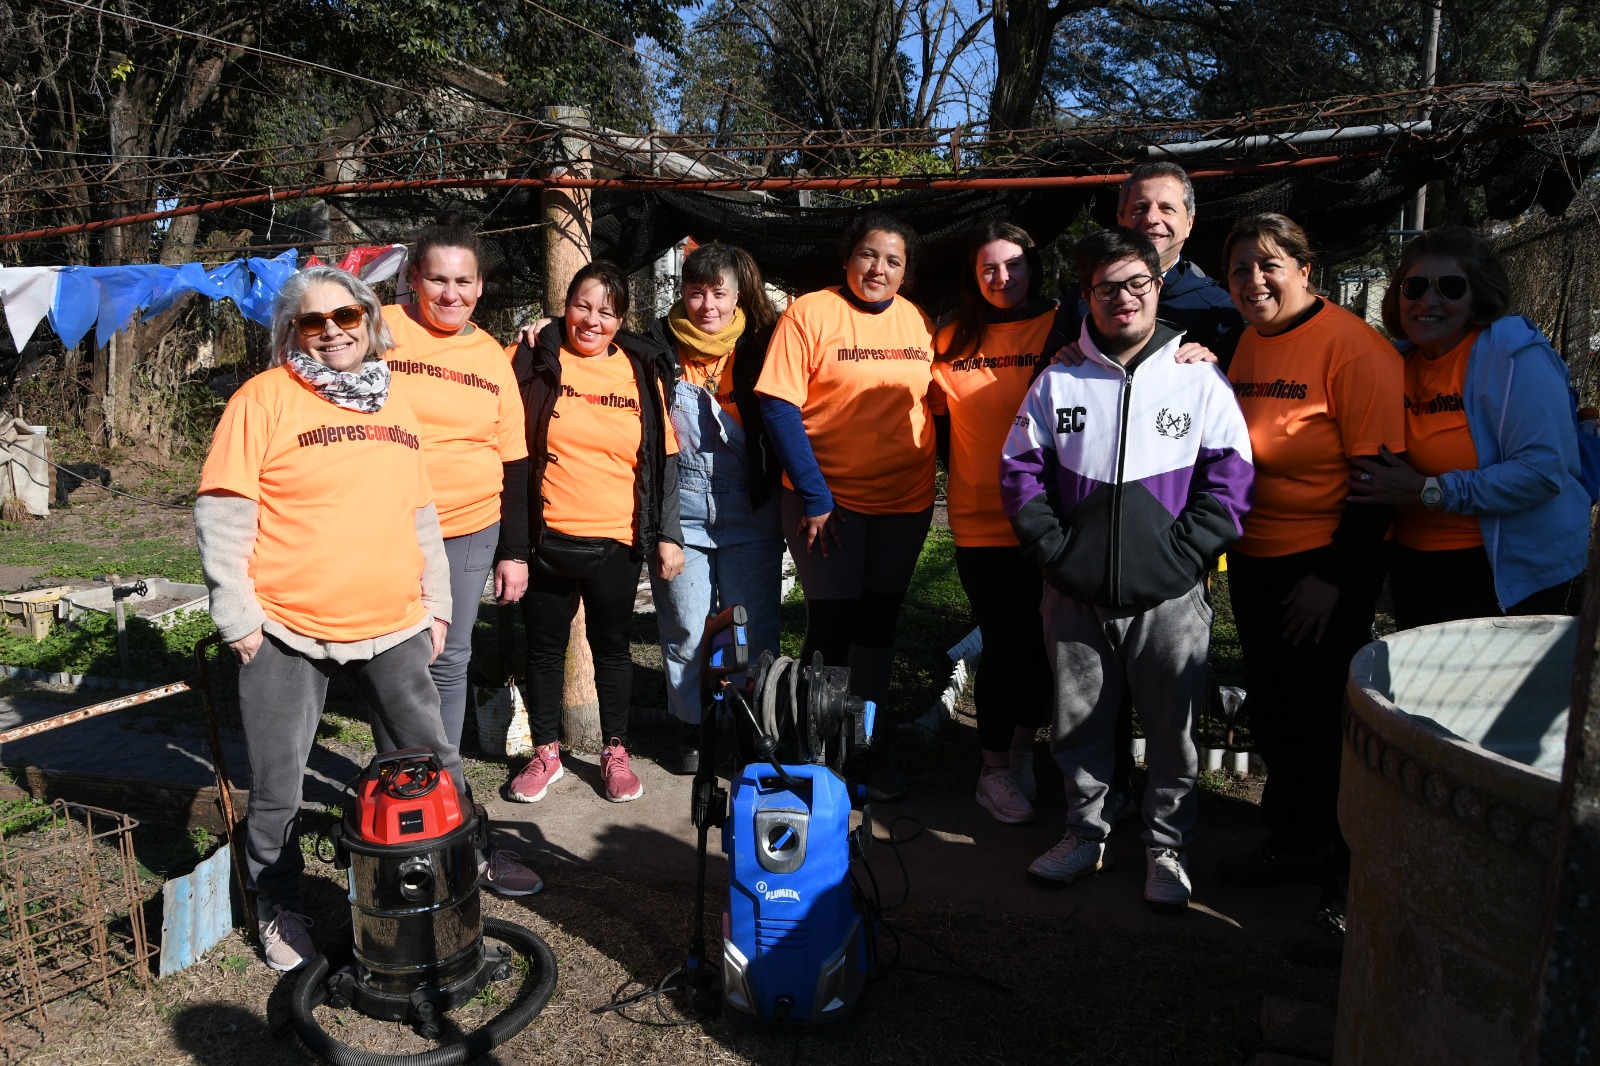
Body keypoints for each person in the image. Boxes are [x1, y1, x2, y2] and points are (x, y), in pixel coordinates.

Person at [195, 265, 468, 972]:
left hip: (394, 622)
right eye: (315, 322)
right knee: (279, 787)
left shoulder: (395, 403)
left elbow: (420, 514)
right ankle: (277, 904)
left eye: (346, 317)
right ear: (293, 331)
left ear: (369, 321)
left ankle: (452, 868)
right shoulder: (262, 399)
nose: (334, 332)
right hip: (286, 628)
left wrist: (435, 604)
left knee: (430, 764)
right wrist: (239, 620)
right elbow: (224, 510)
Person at [1000, 228, 1253, 911]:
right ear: (1087, 297)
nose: (1124, 298)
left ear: (1157, 286)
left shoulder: (1197, 373)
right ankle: (1086, 835)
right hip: (1073, 595)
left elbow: (1233, 475)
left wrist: (1188, 554)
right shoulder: (1059, 377)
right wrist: (1054, 554)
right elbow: (1018, 472)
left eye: (1136, 283)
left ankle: (1167, 848)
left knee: (1173, 732)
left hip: (1172, 596)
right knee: (1078, 726)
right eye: (1107, 287)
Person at [1218, 212, 1405, 964]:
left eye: (1269, 265)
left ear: (1305, 266)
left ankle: (1347, 885)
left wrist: (1333, 578)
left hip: (1322, 568)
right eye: (1239, 270)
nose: (1253, 281)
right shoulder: (1245, 342)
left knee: (1324, 723)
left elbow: (1378, 483)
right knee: (1273, 712)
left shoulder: (1355, 350)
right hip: (1255, 561)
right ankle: (1290, 842)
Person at [374, 220, 541, 896]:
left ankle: (437, 798)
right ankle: (403, 796)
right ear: (414, 278)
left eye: (463, 281)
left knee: (451, 661)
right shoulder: (376, 328)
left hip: (471, 529)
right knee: (392, 656)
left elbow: (515, 460)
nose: (450, 293)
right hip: (386, 526)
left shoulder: (491, 357)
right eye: (437, 278)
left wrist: (515, 551)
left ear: (481, 287)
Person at [755, 211, 937, 802]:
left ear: (906, 273)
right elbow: (779, 405)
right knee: (832, 625)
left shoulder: (917, 321)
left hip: (905, 501)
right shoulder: (811, 313)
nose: (878, 269)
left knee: (879, 624)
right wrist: (815, 495)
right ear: (847, 258)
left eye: (893, 260)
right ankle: (818, 750)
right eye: (868, 255)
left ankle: (865, 747)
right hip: (824, 502)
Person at [502, 260, 683, 805]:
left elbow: (664, 459)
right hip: (547, 537)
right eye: (582, 305)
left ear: (622, 318)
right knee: (543, 649)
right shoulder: (534, 357)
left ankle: (615, 750)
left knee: (613, 649)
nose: (592, 320)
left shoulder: (642, 369)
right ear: (564, 305)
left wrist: (666, 534)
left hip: (617, 541)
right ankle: (546, 752)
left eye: (607, 311)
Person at [1346, 226, 1589, 627]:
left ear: (1478, 297)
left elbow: (1542, 471)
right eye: (1416, 286)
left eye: (1451, 288)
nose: (1429, 300)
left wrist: (1429, 490)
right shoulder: (1393, 363)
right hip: (1414, 564)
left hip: (1502, 570)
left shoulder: (1514, 360)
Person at [930, 222, 1058, 824]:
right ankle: (993, 771)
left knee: (1043, 644)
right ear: (972, 275)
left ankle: (1022, 749)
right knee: (1006, 641)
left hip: (1053, 515)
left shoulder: (1062, 326)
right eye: (988, 269)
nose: (1002, 279)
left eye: (1013, 265)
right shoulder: (950, 337)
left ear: (1034, 267)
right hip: (981, 516)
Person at [645, 242, 784, 775]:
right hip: (683, 511)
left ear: (738, 296)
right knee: (686, 625)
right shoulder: (656, 346)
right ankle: (692, 726)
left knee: (753, 626)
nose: (707, 305)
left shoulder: (764, 345)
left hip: (751, 510)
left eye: (718, 293)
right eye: (696, 291)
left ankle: (754, 727)